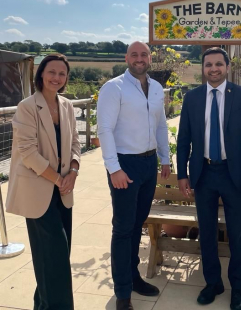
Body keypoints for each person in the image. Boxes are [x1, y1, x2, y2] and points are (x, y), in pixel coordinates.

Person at [177, 47, 241, 310]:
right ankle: (213, 283)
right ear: (203, 68)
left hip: (233, 174)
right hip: (203, 173)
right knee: (208, 232)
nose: (213, 69)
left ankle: (238, 288)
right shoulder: (192, 98)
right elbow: (184, 140)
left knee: (238, 233)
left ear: (227, 67)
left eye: (218, 64)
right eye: (208, 65)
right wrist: (182, 175)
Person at [97, 41, 171, 310]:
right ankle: (123, 293)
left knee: (137, 224)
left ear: (150, 58)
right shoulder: (113, 87)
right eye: (135, 54)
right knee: (123, 229)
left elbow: (161, 124)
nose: (140, 59)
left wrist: (165, 158)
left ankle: (133, 276)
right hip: (125, 166)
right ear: (127, 58)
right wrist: (113, 168)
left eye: (144, 54)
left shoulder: (157, 88)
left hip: (149, 164)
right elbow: (104, 129)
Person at [6, 54, 81, 310]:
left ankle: (43, 305)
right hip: (38, 192)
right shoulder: (27, 106)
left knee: (55, 257)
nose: (56, 78)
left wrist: (73, 170)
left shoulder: (67, 106)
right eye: (52, 72)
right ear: (41, 74)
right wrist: (59, 179)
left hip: (63, 192)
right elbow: (27, 152)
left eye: (62, 73)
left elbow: (75, 144)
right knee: (54, 256)